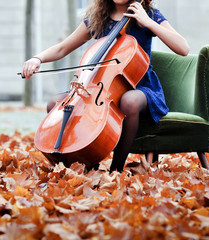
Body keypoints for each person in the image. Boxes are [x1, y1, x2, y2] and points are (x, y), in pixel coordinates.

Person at [21, 0, 189, 172]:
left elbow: (183, 48)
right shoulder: (98, 17)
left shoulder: (148, 14)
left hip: (139, 87)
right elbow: (63, 48)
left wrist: (149, 22)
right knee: (54, 103)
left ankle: (116, 169)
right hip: (100, 86)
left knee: (129, 101)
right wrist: (37, 58)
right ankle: (82, 163)